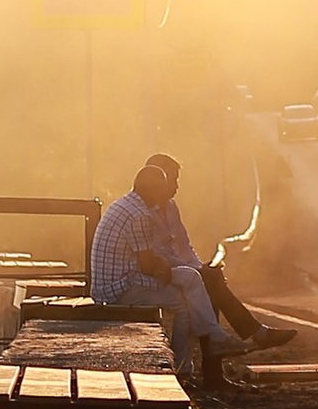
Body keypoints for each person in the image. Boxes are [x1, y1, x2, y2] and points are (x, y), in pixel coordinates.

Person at [90, 155, 246, 385]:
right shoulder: (140, 215)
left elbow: (147, 257)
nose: (166, 194)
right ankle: (183, 368)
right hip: (118, 288)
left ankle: (207, 345)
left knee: (190, 282)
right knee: (185, 304)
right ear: (152, 190)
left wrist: (165, 267)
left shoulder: (127, 204)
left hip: (114, 281)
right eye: (161, 189)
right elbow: (146, 264)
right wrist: (165, 269)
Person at [138, 152, 296, 352]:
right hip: (149, 276)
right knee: (209, 282)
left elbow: (184, 245)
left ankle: (219, 367)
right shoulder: (143, 213)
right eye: (174, 181)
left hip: (174, 271)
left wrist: (200, 268)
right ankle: (253, 336)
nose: (177, 187)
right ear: (160, 180)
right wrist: (198, 272)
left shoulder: (170, 207)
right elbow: (157, 256)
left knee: (209, 281)